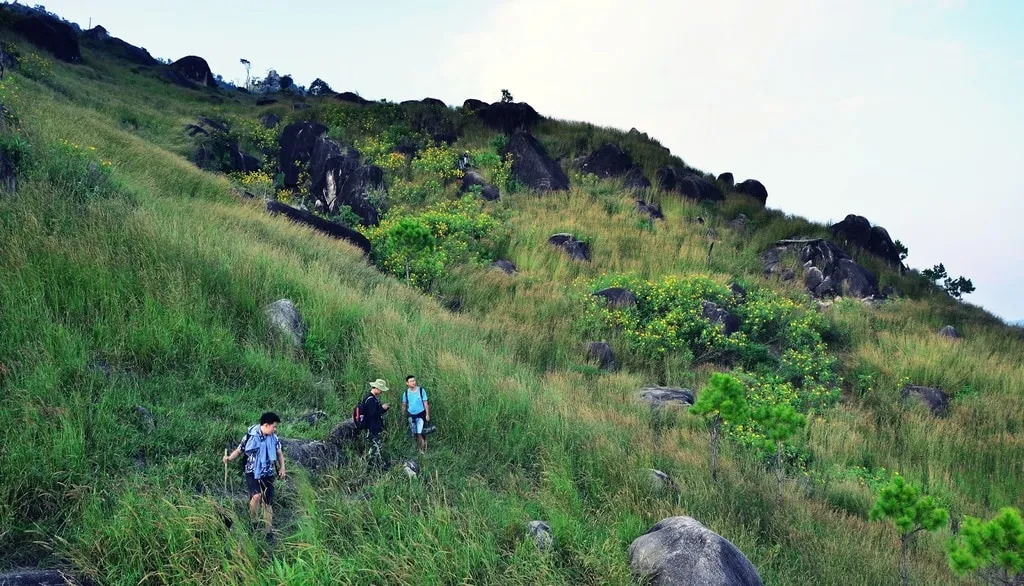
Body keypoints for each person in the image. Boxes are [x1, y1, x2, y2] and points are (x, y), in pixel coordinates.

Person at [222, 412, 286, 544]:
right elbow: (239, 450)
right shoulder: (250, 436)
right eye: (274, 426)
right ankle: (254, 522)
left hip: (267, 472)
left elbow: (279, 453)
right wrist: (229, 458)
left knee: (267, 502)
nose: (275, 429)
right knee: (256, 496)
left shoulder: (273, 438)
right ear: (266, 425)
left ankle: (268, 531)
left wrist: (282, 467)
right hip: (252, 471)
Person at [362, 379, 391, 472]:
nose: (381, 392)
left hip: (373, 427)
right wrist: (383, 408)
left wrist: (382, 409)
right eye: (381, 389)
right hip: (372, 428)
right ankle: (371, 468)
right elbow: (373, 414)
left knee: (375, 448)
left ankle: (375, 466)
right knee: (374, 448)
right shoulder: (371, 400)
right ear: (377, 388)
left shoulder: (371, 398)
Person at [401, 375, 430, 454]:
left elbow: (425, 403)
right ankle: (419, 448)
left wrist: (427, 414)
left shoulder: (421, 390)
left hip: (421, 414)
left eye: (414, 380)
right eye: (411, 381)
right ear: (407, 383)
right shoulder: (406, 393)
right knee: (414, 433)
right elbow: (404, 404)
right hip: (411, 415)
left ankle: (423, 449)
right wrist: (403, 415)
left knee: (420, 432)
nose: (413, 382)